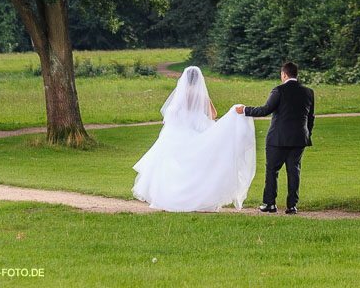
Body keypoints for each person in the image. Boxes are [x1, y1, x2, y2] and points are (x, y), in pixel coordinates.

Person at [133, 65, 256, 211]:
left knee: (171, 166)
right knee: (198, 166)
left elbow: (170, 114)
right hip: (197, 132)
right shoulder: (202, 96)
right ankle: (197, 198)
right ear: (200, 80)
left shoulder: (180, 95)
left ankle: (170, 198)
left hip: (177, 135)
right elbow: (214, 114)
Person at [235, 60, 314, 214]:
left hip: (278, 138)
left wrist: (245, 110)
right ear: (296, 75)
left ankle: (270, 204)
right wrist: (306, 134)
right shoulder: (308, 92)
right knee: (294, 171)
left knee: (272, 170)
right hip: (299, 138)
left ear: (284, 75)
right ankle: (292, 206)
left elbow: (265, 110)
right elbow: (311, 118)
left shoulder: (279, 91)